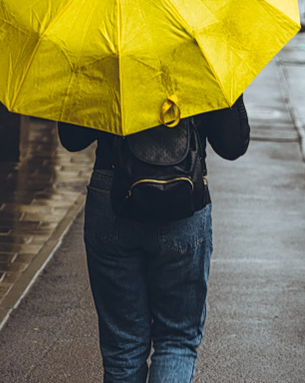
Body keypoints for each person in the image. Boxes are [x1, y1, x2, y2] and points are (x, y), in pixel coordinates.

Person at [58, 99, 250, 383]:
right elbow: (232, 145)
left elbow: (73, 138)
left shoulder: (106, 53)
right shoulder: (203, 56)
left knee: (123, 349)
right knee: (176, 341)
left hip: (112, 195)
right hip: (182, 196)